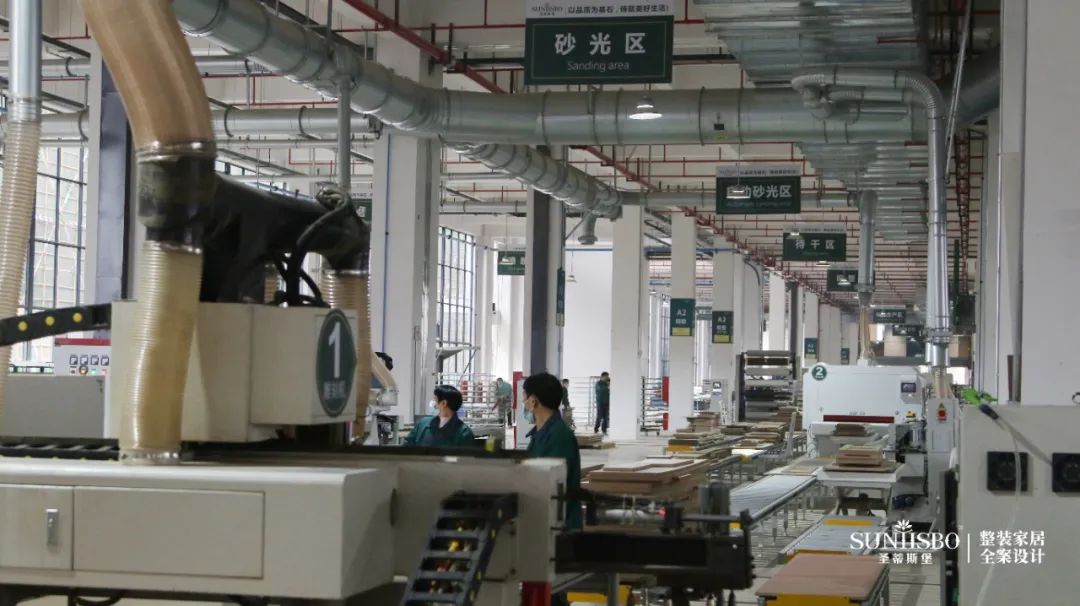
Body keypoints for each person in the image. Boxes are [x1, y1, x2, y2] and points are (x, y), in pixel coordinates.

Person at [522, 372, 583, 531]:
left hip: (560, 526)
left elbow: (549, 481)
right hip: (545, 520)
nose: (522, 401)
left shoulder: (559, 436)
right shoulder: (540, 433)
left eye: (524, 396)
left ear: (533, 401)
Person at [403, 385, 475, 447]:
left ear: (444, 403)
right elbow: (406, 448)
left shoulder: (464, 433)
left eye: (435, 400)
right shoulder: (422, 424)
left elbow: (465, 458)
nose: (433, 403)